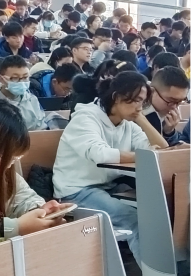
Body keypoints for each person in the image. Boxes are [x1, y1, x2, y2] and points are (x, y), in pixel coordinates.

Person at [53, 72, 168, 263]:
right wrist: (142, 155)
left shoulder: (128, 123)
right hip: (76, 191)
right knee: (134, 219)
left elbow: (163, 151)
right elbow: (99, 153)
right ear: (116, 97)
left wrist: (141, 119)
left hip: (108, 186)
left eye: (142, 102)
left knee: (157, 210)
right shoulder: (86, 117)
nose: (139, 107)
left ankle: (169, 268)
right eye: (135, 100)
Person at [0, 101, 65, 239]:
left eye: (14, 158)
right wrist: (16, 227)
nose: (8, 165)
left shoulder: (0, 169)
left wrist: (39, 210)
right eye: (4, 156)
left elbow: (23, 196)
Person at [0, 55, 46, 131]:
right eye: (15, 78)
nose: (21, 82)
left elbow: (41, 127)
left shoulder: (31, 99)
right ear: (1, 79)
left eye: (25, 77)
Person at [143, 66, 189, 146]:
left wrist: (169, 132)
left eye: (180, 101)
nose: (174, 107)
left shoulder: (167, 113)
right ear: (152, 91)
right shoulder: (136, 111)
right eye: (171, 101)